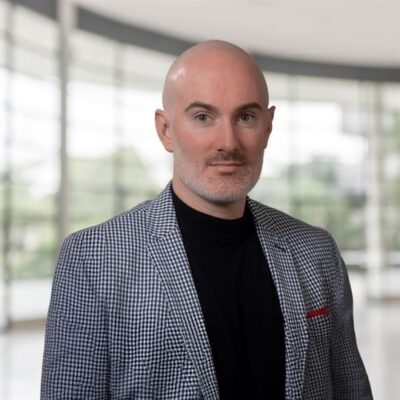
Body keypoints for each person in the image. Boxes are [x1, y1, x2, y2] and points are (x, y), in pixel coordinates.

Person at [41, 40, 372, 399]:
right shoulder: (94, 257)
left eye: (245, 117)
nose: (227, 142)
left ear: (268, 126)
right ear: (166, 130)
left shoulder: (316, 251)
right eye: (203, 117)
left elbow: (351, 390)